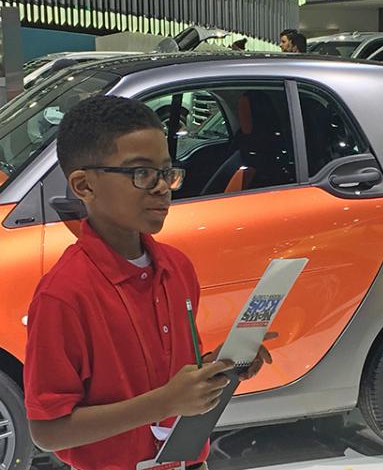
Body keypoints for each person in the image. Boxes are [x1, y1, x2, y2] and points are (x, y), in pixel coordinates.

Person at [23, 95, 275, 470]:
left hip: (188, 461)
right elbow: (48, 430)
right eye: (141, 174)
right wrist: (166, 402)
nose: (162, 187)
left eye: (166, 172)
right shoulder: (64, 295)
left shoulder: (177, 268)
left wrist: (217, 366)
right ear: (83, 186)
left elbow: (172, 377)